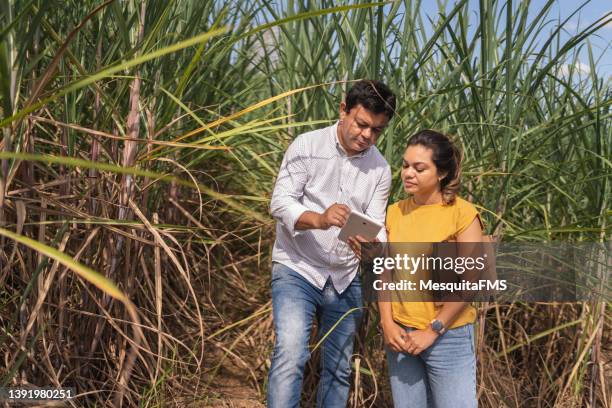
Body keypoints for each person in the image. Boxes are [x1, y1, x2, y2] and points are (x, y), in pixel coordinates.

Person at [267, 80, 397, 408]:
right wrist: (321, 219)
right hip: (297, 268)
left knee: (339, 369)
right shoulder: (306, 145)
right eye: (362, 124)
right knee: (292, 354)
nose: (367, 136)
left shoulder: (381, 169)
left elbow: (378, 227)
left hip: (345, 277)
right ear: (343, 110)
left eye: (377, 131)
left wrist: (371, 246)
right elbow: (280, 203)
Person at [349, 129, 483, 408]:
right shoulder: (394, 212)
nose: (408, 173)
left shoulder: (463, 213)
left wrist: (433, 330)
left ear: (442, 173)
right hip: (400, 336)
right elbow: (385, 271)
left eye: (419, 168)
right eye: (405, 165)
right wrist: (387, 322)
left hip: (448, 337)